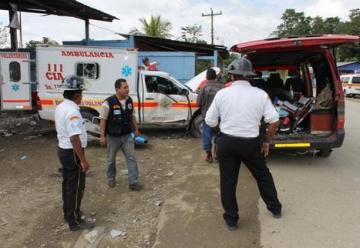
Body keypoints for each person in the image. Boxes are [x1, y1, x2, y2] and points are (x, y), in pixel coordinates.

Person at [205, 58, 282, 231]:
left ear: (231, 75)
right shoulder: (260, 94)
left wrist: (221, 134)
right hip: (251, 144)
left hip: (227, 143)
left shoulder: (222, 94)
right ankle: (275, 208)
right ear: (250, 76)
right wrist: (266, 140)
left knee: (228, 181)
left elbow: (210, 120)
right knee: (263, 176)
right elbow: (274, 121)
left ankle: (231, 219)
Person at [55, 75, 94, 231]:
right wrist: (83, 160)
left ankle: (68, 214)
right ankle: (74, 220)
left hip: (63, 150)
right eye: (81, 93)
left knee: (68, 184)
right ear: (77, 94)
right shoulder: (73, 111)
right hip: (72, 152)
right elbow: (74, 138)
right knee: (77, 186)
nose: (82, 96)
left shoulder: (61, 107)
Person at [99, 78, 142, 190]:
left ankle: (133, 182)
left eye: (127, 87)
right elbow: (103, 120)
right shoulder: (108, 103)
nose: (127, 89)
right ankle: (111, 179)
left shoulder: (129, 101)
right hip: (113, 137)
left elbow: (132, 116)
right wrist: (102, 136)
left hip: (127, 135)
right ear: (117, 89)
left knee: (131, 158)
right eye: (125, 87)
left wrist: (136, 129)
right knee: (110, 160)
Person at [196, 68, 224, 163]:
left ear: (207, 77)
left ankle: (209, 155)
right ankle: (217, 153)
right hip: (220, 118)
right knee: (219, 135)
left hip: (207, 117)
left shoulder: (203, 88)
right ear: (215, 76)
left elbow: (198, 103)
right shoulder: (223, 87)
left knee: (207, 135)